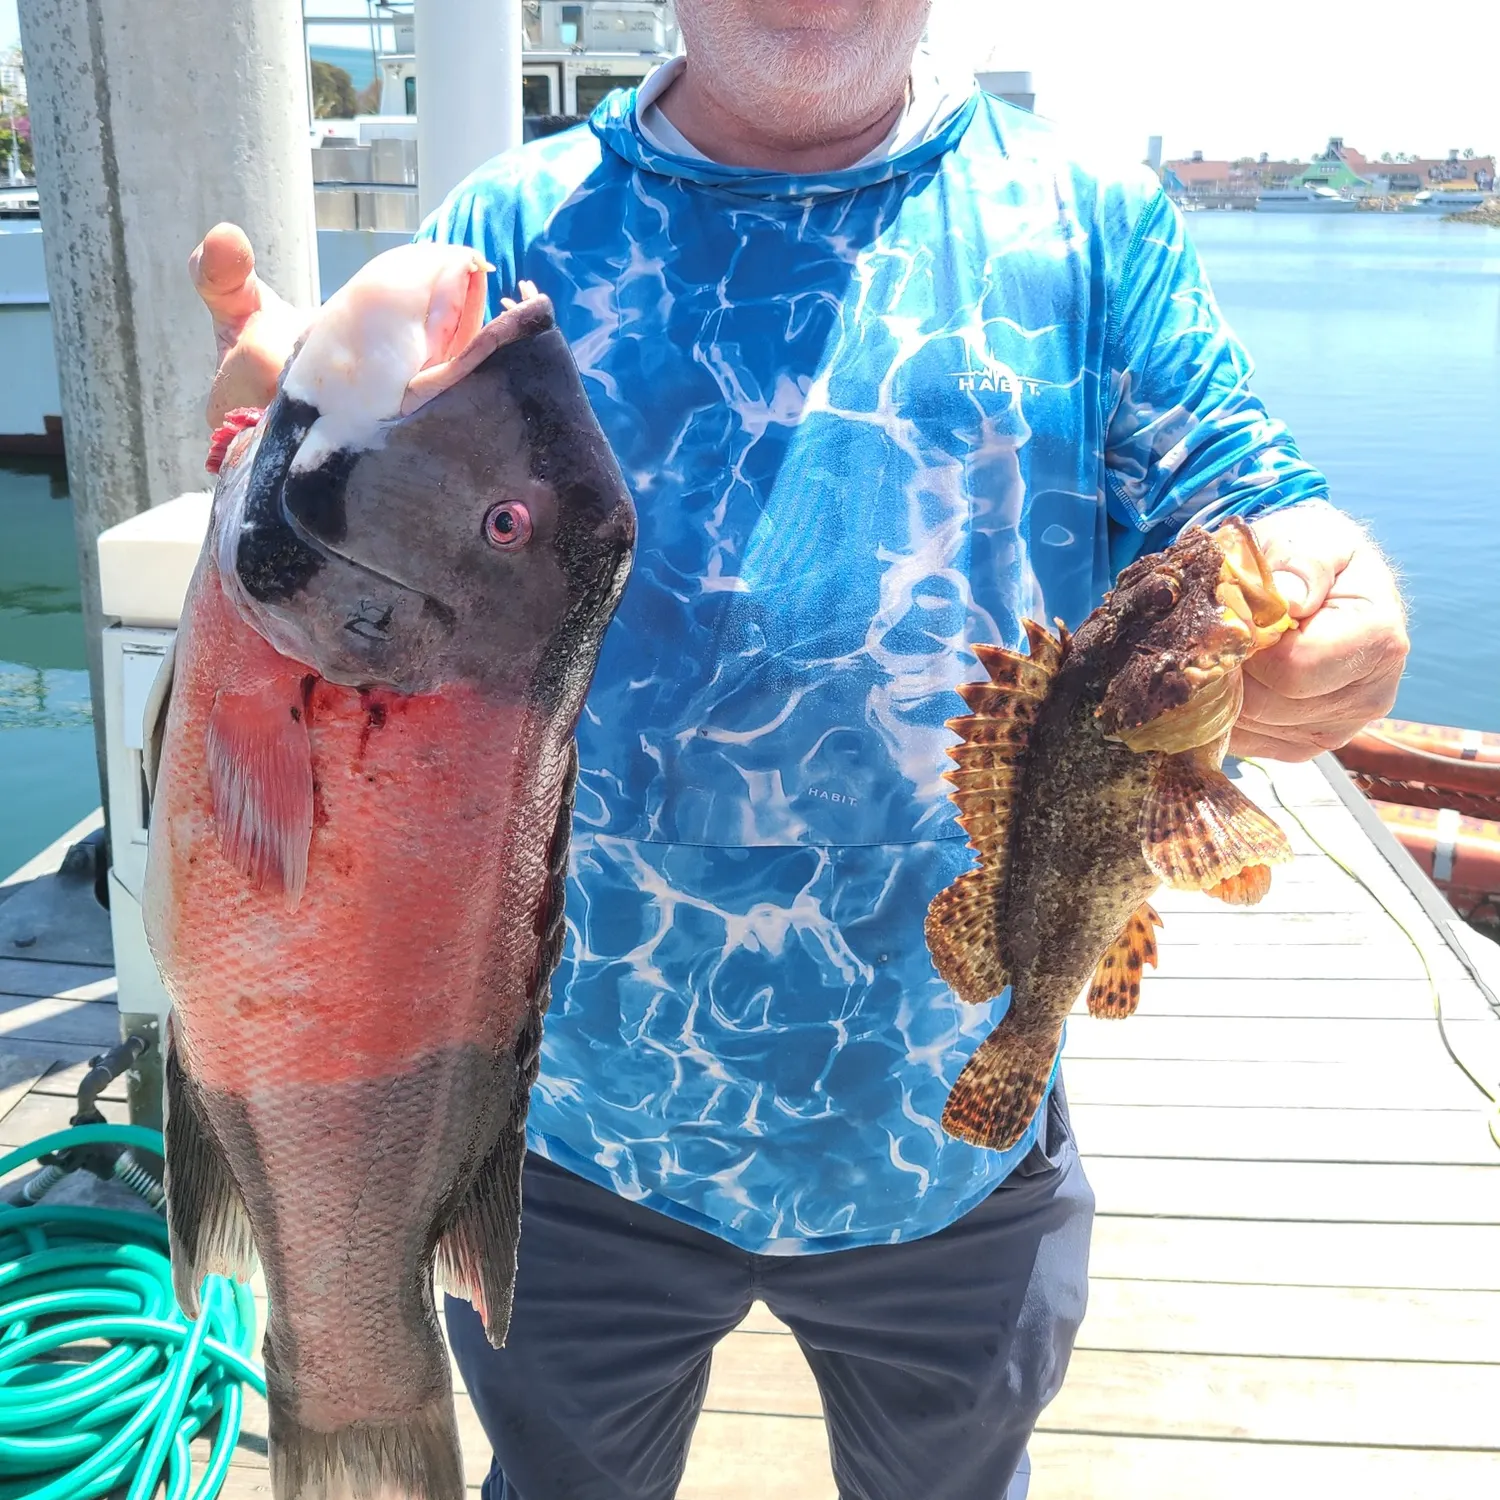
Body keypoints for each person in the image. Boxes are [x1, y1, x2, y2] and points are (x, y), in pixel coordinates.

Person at [191, 3, 1408, 1495]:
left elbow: (1250, 489)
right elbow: (390, 535)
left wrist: (1341, 613)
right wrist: (287, 451)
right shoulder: (509, 228)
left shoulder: (1093, 224)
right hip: (567, 1128)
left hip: (954, 1137)